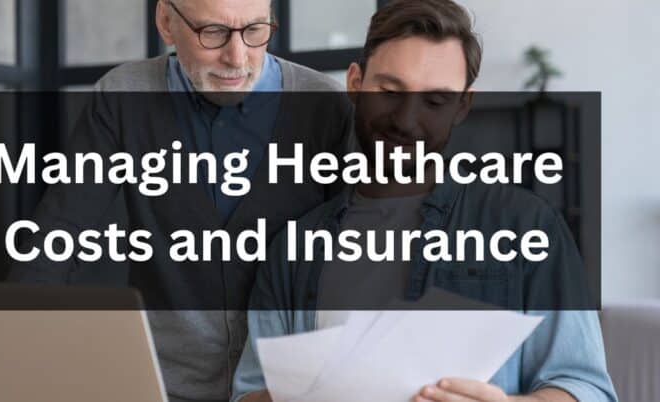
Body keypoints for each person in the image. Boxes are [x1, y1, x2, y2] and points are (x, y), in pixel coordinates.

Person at [0, 1, 351, 402]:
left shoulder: (325, 107)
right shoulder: (123, 95)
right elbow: (59, 232)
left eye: (255, 30)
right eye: (212, 32)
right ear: (166, 22)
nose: (237, 58)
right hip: (163, 387)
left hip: (287, 391)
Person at [232, 1, 617, 401]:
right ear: (354, 83)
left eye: (434, 101)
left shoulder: (527, 227)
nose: (405, 120)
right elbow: (249, 392)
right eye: (388, 90)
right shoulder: (293, 250)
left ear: (461, 106)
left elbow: (586, 388)